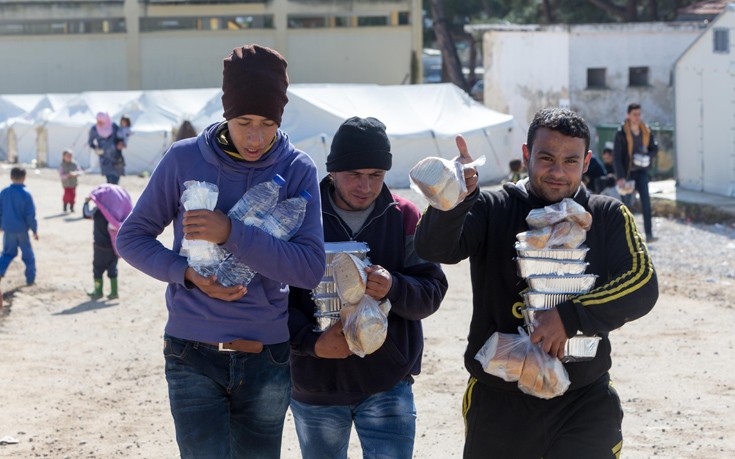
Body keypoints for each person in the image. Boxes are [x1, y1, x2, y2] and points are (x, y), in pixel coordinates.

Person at [116, 44, 325, 458]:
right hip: (191, 351)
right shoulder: (183, 159)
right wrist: (187, 274)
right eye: (244, 121)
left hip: (266, 357)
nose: (255, 137)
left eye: (267, 123)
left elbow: (309, 270)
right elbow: (131, 238)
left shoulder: (298, 169)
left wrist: (230, 232)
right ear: (226, 112)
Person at [414, 108, 658, 458]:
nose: (558, 172)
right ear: (527, 154)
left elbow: (643, 284)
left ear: (587, 162)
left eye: (571, 160)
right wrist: (453, 199)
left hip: (583, 401)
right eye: (546, 158)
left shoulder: (606, 216)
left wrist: (570, 317)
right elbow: (434, 248)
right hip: (501, 403)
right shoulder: (493, 207)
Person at [288, 116, 448, 459]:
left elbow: (432, 291)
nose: (365, 186)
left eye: (375, 175)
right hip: (316, 384)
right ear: (333, 170)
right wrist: (313, 344)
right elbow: (275, 300)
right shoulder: (300, 217)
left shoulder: (404, 216)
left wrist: (394, 286)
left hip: (388, 383)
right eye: (354, 175)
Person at [613, 103, 659, 241]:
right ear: (628, 115)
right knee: (626, 205)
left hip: (642, 172)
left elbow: (654, 148)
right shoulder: (621, 132)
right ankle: (627, 236)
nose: (637, 117)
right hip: (627, 173)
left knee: (646, 202)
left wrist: (647, 157)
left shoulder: (646, 131)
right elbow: (617, 156)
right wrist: (620, 177)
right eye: (634, 114)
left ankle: (649, 234)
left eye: (639, 114)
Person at [83, 184, 133, 300]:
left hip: (99, 246)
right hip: (113, 247)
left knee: (97, 269)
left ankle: (98, 291)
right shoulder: (117, 216)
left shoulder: (97, 212)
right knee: (112, 268)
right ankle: (114, 292)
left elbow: (86, 215)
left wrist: (86, 202)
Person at [0, 167, 38, 286]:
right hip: (22, 230)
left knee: (7, 253)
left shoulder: (4, 192)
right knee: (28, 254)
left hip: (8, 229)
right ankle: (30, 279)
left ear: (11, 177)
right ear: (24, 178)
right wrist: (34, 230)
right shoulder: (26, 194)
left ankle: (0, 271)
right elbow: (30, 215)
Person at [88, 112, 124, 184]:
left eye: (101, 121)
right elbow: (90, 142)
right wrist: (96, 148)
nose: (99, 123)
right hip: (105, 158)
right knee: (109, 180)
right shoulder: (95, 129)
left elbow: (121, 137)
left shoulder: (114, 126)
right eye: (98, 121)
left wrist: (120, 143)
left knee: (116, 179)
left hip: (116, 157)